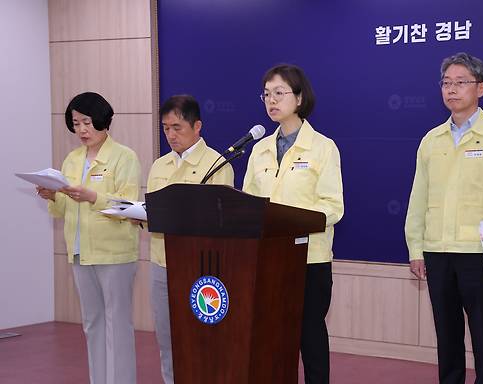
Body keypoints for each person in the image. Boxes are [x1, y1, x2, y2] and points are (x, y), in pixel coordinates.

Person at [404, 52, 483, 384]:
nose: (452, 90)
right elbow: (418, 199)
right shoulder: (431, 140)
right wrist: (416, 248)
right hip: (437, 251)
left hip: (479, 254)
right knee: (447, 335)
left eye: (461, 82)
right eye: (446, 83)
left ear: (481, 88)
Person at [243, 64, 344, 384]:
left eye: (279, 93)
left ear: (299, 99)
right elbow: (248, 204)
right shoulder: (258, 150)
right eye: (267, 94)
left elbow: (333, 207)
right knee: (272, 340)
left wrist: (294, 221)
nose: (271, 100)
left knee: (309, 337)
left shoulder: (323, 147)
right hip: (268, 259)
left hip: (309, 259)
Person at [37, 92, 141, 384]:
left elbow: (128, 206)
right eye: (75, 123)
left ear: (103, 120)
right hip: (81, 252)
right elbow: (62, 211)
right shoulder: (72, 160)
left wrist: (92, 196)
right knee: (92, 324)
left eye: (86, 122)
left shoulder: (124, 156)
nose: (82, 129)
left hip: (115, 254)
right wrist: (52, 195)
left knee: (117, 324)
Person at [145, 94, 234, 384]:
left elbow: (222, 224)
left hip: (201, 270)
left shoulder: (219, 164)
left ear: (197, 126)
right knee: (167, 341)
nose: (170, 135)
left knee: (203, 341)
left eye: (177, 128)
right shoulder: (159, 166)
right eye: (165, 128)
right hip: (162, 264)